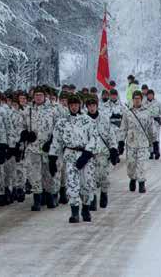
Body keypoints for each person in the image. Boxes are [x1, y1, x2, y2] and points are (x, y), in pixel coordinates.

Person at [49, 94, 98, 223]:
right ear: (68, 106)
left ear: (80, 105)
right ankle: (74, 212)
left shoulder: (87, 120)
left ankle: (86, 208)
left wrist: (87, 154)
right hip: (70, 155)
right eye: (71, 105)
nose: (74, 107)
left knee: (86, 184)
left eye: (76, 105)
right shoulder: (62, 122)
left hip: (85, 157)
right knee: (72, 184)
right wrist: (52, 158)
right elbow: (56, 141)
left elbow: (94, 138)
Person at [85, 94, 117, 210]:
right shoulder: (83, 120)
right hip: (89, 154)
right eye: (89, 106)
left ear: (97, 106)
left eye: (93, 105)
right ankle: (92, 198)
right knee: (90, 178)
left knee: (103, 176)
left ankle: (104, 192)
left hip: (103, 153)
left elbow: (111, 135)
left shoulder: (104, 119)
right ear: (87, 107)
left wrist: (113, 149)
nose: (92, 108)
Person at [120, 90, 156, 193]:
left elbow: (150, 128)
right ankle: (132, 178)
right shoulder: (127, 113)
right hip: (131, 143)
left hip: (143, 143)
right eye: (135, 99)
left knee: (141, 164)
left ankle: (141, 183)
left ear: (141, 99)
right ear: (132, 100)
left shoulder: (147, 112)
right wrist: (121, 142)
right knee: (131, 164)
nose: (137, 101)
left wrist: (152, 142)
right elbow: (123, 128)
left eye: (138, 99)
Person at [144, 89, 161, 159]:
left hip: (156, 122)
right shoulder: (144, 104)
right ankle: (151, 152)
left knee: (155, 136)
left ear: (153, 95)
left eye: (151, 94)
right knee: (149, 138)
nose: (150, 96)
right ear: (147, 96)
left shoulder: (158, 103)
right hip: (147, 123)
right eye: (148, 95)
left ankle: (157, 151)